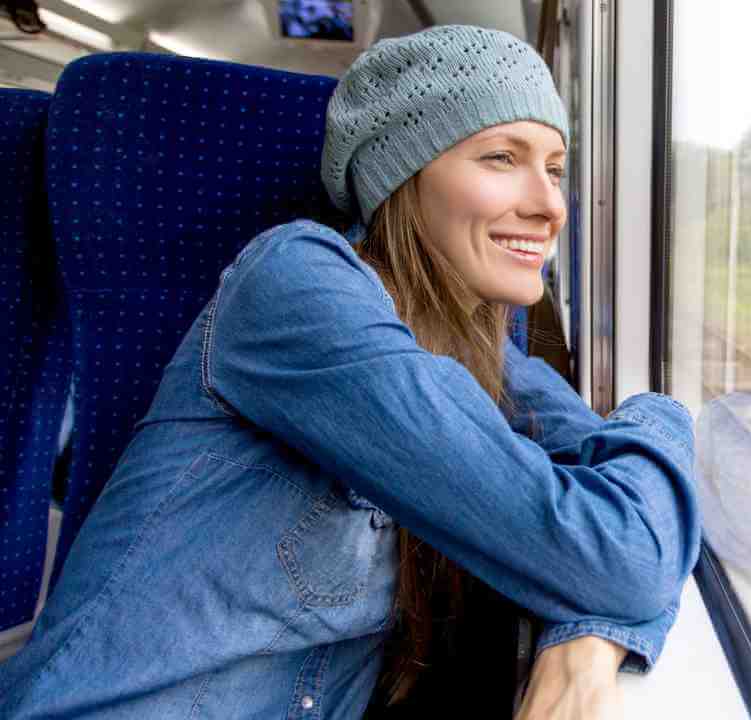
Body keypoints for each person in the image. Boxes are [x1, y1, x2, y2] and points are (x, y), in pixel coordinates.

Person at [0, 25, 700, 719]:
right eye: (499, 158)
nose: (550, 205)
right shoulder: (294, 283)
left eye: (554, 167)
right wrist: (607, 590)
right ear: (403, 173)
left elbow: (629, 535)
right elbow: (621, 560)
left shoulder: (493, 362)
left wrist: (593, 633)